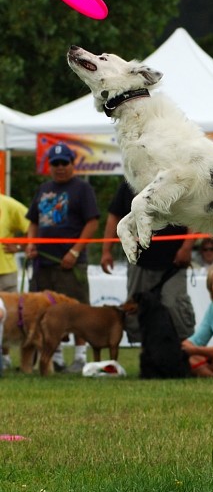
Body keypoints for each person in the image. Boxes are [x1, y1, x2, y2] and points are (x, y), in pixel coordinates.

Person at [25, 143, 99, 372]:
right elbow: (34, 221)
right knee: (46, 314)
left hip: (70, 264)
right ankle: (54, 357)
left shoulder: (82, 189)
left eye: (63, 162)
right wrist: (31, 244)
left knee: (77, 312)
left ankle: (80, 358)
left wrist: (75, 251)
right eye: (54, 163)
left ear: (72, 164)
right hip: (43, 263)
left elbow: (93, 222)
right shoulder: (43, 188)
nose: (59, 167)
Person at [101, 179, 196, 343]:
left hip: (174, 263)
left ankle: (185, 352)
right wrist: (106, 251)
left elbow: (195, 216)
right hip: (139, 261)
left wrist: (187, 247)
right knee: (135, 312)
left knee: (175, 306)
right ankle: (143, 354)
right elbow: (114, 216)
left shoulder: (179, 180)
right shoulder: (129, 182)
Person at [0, 193, 30, 369]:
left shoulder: (8, 204)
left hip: (5, 272)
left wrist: (19, 246)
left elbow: (32, 227)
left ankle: (5, 357)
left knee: (7, 318)